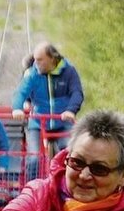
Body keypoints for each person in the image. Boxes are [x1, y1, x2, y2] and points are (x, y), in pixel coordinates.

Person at [11, 42, 84, 175]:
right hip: (38, 121)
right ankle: (32, 189)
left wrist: (70, 110)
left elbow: (76, 93)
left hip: (62, 120)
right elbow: (21, 91)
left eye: (40, 60)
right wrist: (17, 108)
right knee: (34, 158)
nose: (36, 63)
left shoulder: (69, 71)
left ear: (52, 58)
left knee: (68, 153)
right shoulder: (33, 73)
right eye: (35, 59)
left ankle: (65, 186)